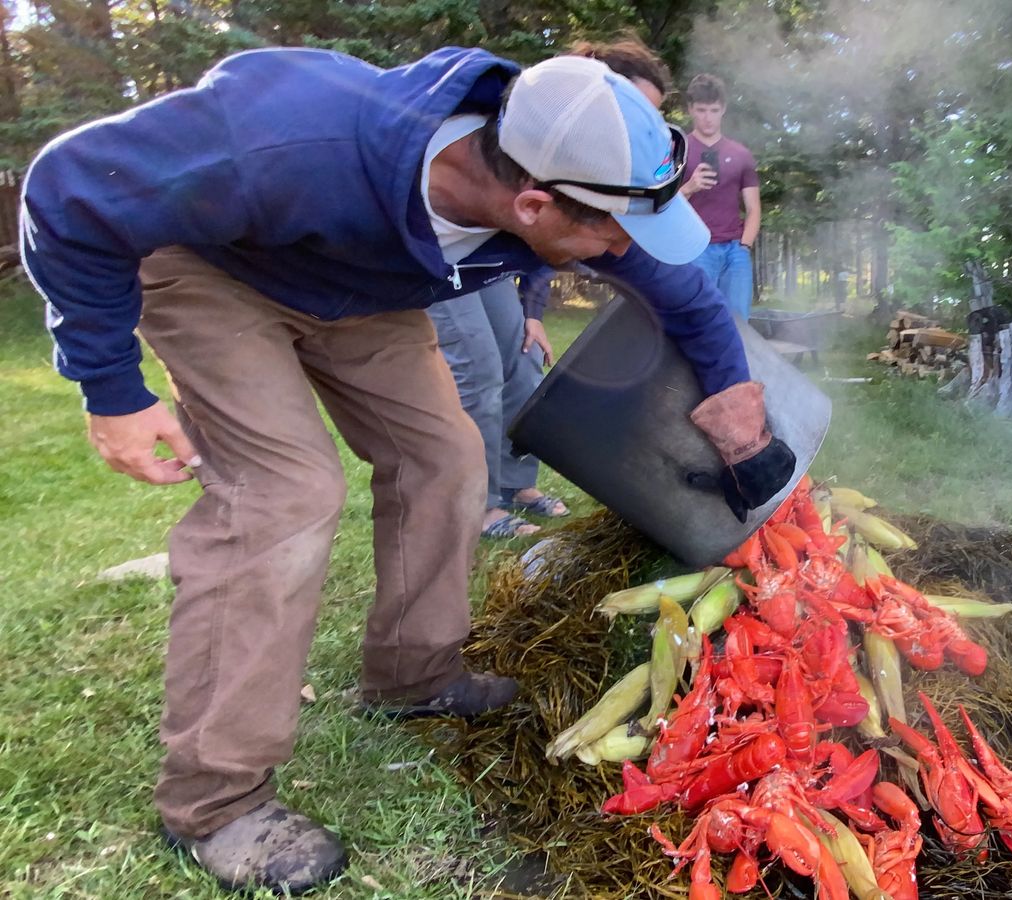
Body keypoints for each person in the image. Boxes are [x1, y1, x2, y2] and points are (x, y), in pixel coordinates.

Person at [19, 49, 796, 893]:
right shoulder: (291, 141)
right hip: (212, 270)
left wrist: (734, 400)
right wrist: (109, 389)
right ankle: (216, 800)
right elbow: (68, 189)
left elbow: (681, 291)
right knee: (286, 496)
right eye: (612, 237)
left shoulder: (579, 192)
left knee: (449, 458)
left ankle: (412, 676)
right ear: (531, 204)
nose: (621, 254)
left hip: (361, 294)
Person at [434, 38, 677, 539]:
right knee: (477, 371)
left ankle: (517, 485)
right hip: (442, 258)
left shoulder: (612, 175)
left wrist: (533, 310)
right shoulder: (546, 125)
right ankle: (480, 506)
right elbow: (541, 224)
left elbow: (549, 245)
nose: (643, 123)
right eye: (637, 104)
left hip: (494, 266)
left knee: (522, 365)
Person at [679, 73, 762, 320]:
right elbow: (662, 205)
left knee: (739, 325)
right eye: (701, 110)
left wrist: (744, 246)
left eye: (714, 110)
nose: (707, 118)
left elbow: (754, 208)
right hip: (695, 249)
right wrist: (690, 187)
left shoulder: (741, 154)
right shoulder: (677, 149)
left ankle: (736, 360)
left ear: (723, 110)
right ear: (691, 109)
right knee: (698, 321)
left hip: (735, 250)